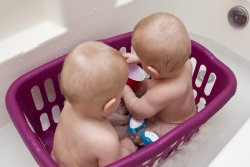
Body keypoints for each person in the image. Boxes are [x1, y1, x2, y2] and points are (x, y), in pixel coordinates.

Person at [51, 41, 137, 167]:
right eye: (120, 93)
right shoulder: (107, 141)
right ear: (109, 106)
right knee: (128, 145)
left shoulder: (68, 105)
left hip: (55, 160)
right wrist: (127, 148)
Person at [122, 12, 197, 139]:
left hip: (173, 125)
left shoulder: (161, 93)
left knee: (137, 136)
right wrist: (140, 59)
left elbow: (138, 111)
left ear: (153, 71)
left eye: (141, 57)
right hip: (188, 113)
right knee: (144, 85)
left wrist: (125, 92)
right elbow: (161, 61)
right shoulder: (186, 64)